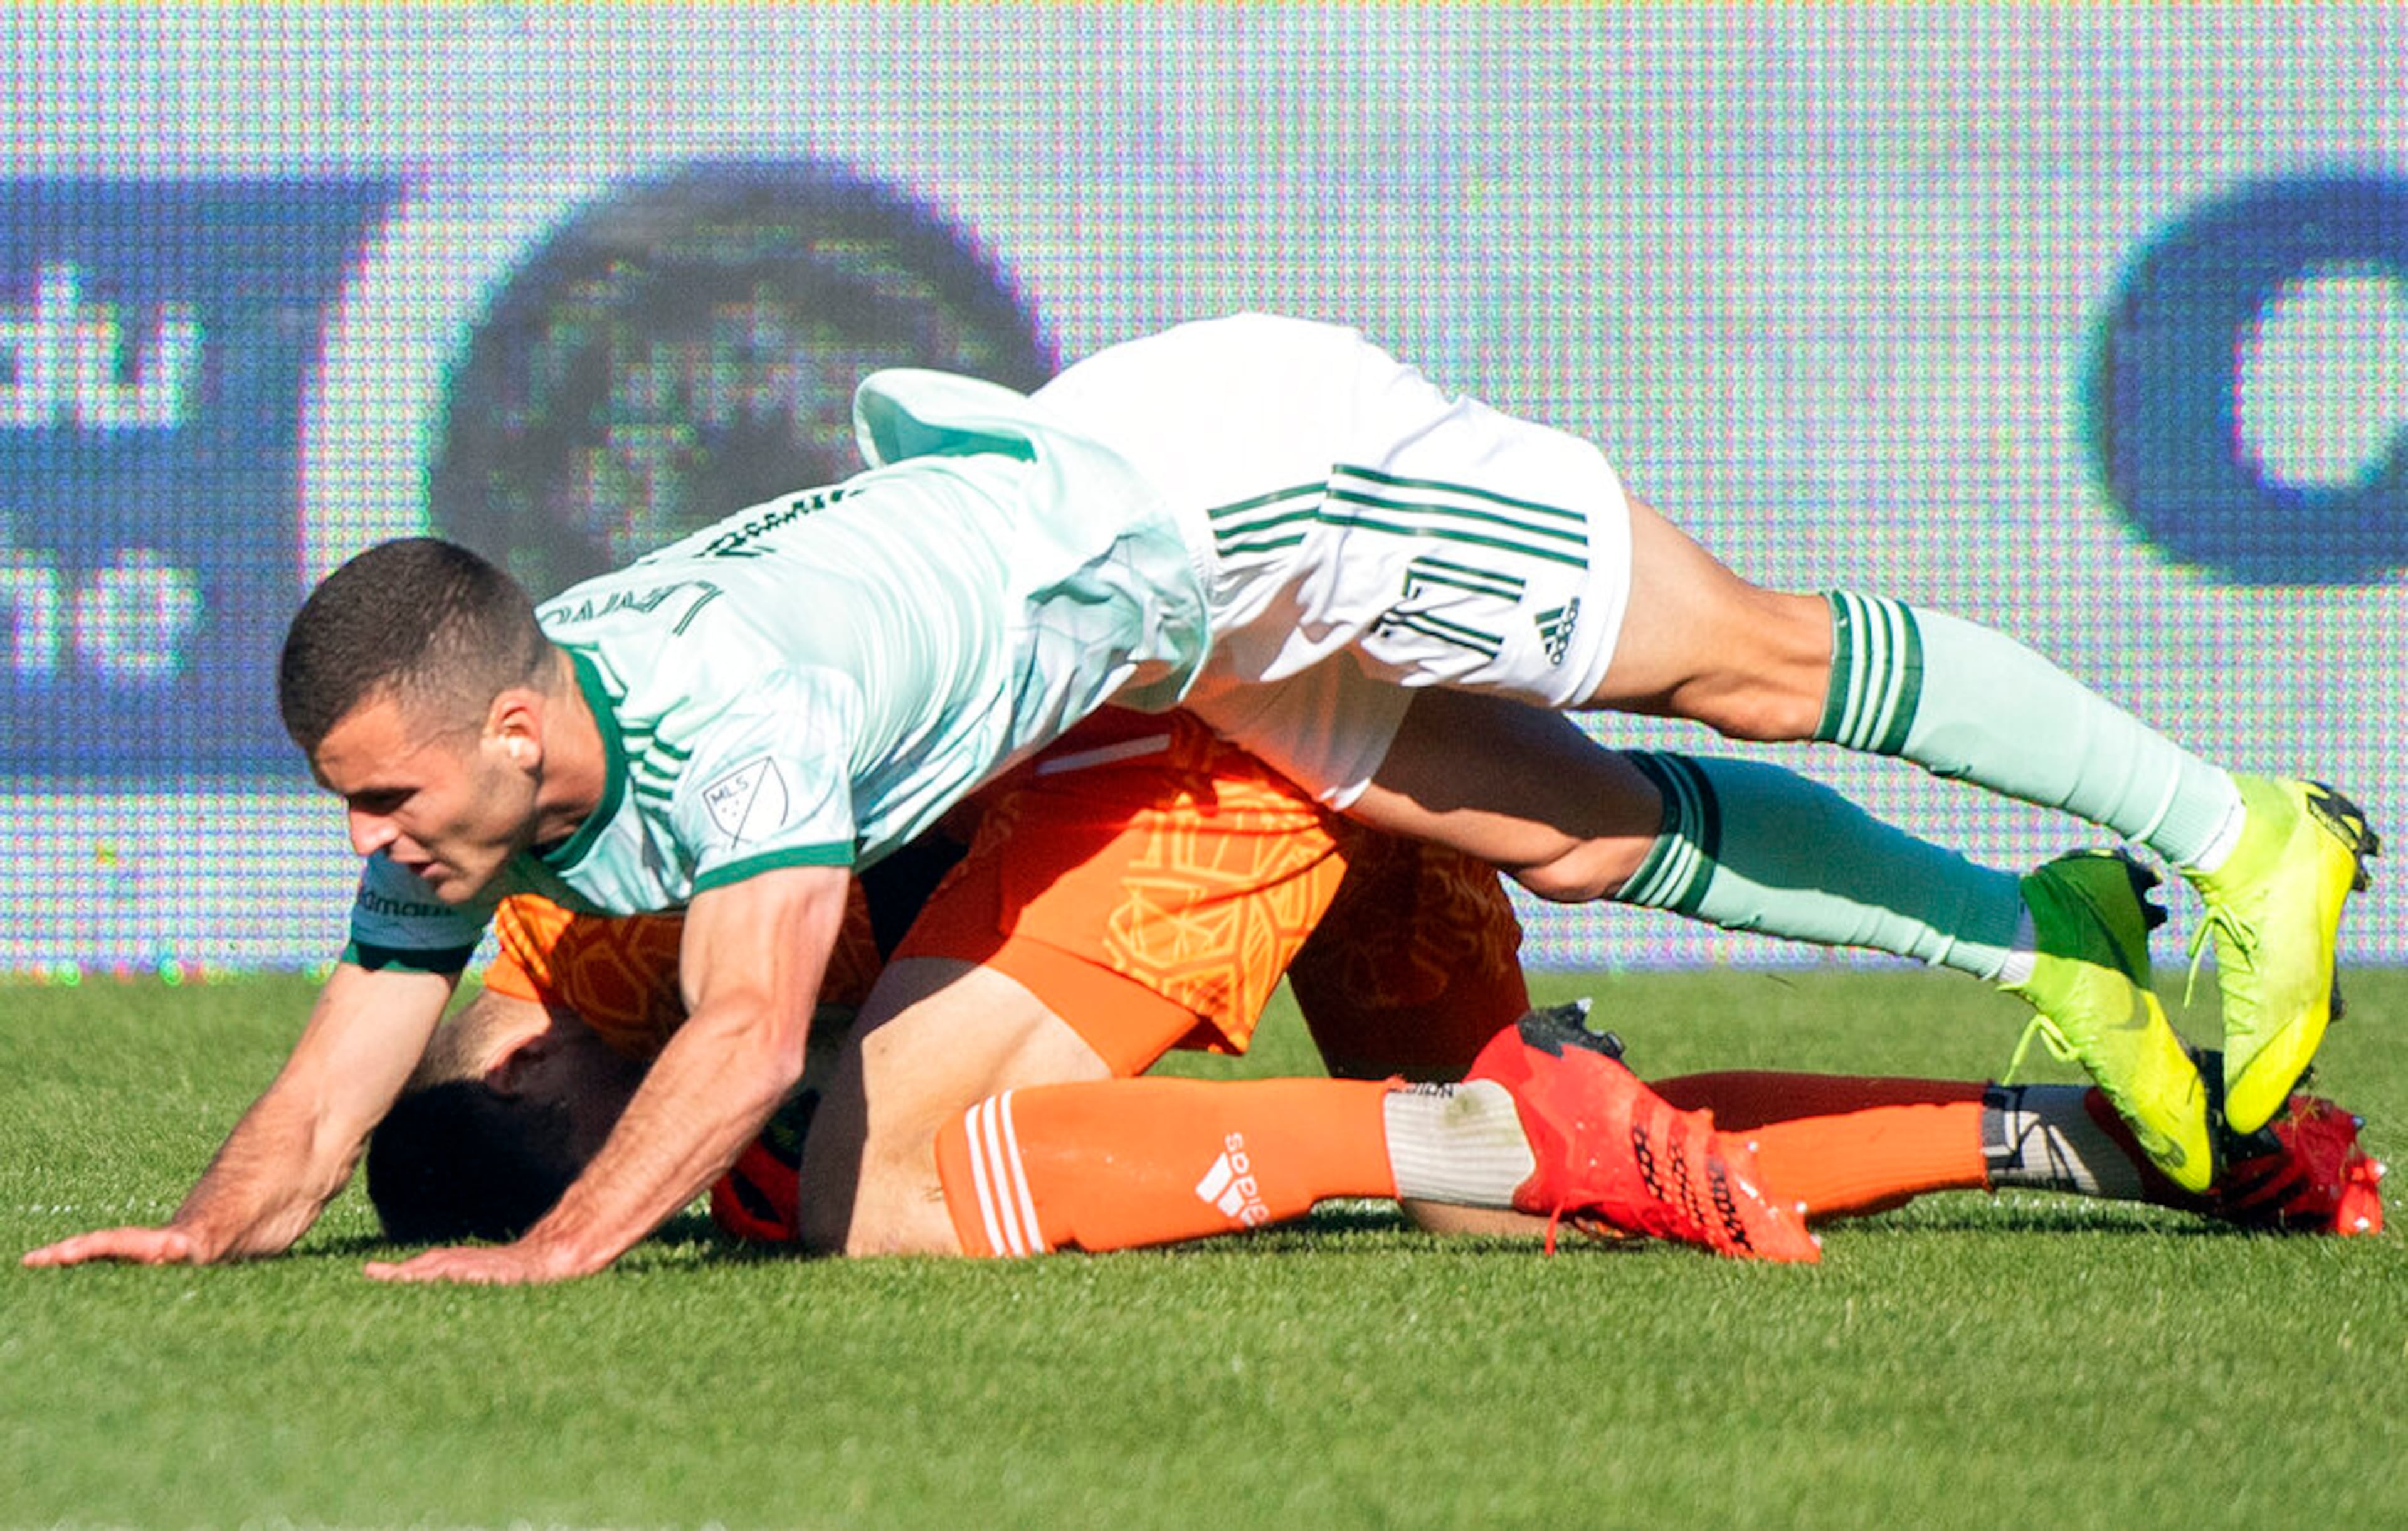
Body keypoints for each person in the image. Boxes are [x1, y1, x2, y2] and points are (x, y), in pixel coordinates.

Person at [25, 314, 2374, 1286]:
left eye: (376, 798)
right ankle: (2060, 983)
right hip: (1200, 663)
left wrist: (551, 1258)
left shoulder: (706, 759)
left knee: (1751, 664)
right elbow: (360, 1031)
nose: (370, 852)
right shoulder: (512, 843)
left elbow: (743, 1049)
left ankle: (2236, 830)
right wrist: (222, 1221)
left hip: (1266, 503)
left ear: (512, 738)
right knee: (1578, 838)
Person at [362, 711, 2384, 1255]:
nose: (627, 1169)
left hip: (1196, 773)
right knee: (1505, 1185)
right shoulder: (581, 950)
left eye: (579, 1154)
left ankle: (1490, 1119)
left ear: (527, 1052)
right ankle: (2096, 1134)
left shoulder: (598, 937)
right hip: (1304, 732)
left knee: (866, 1185)